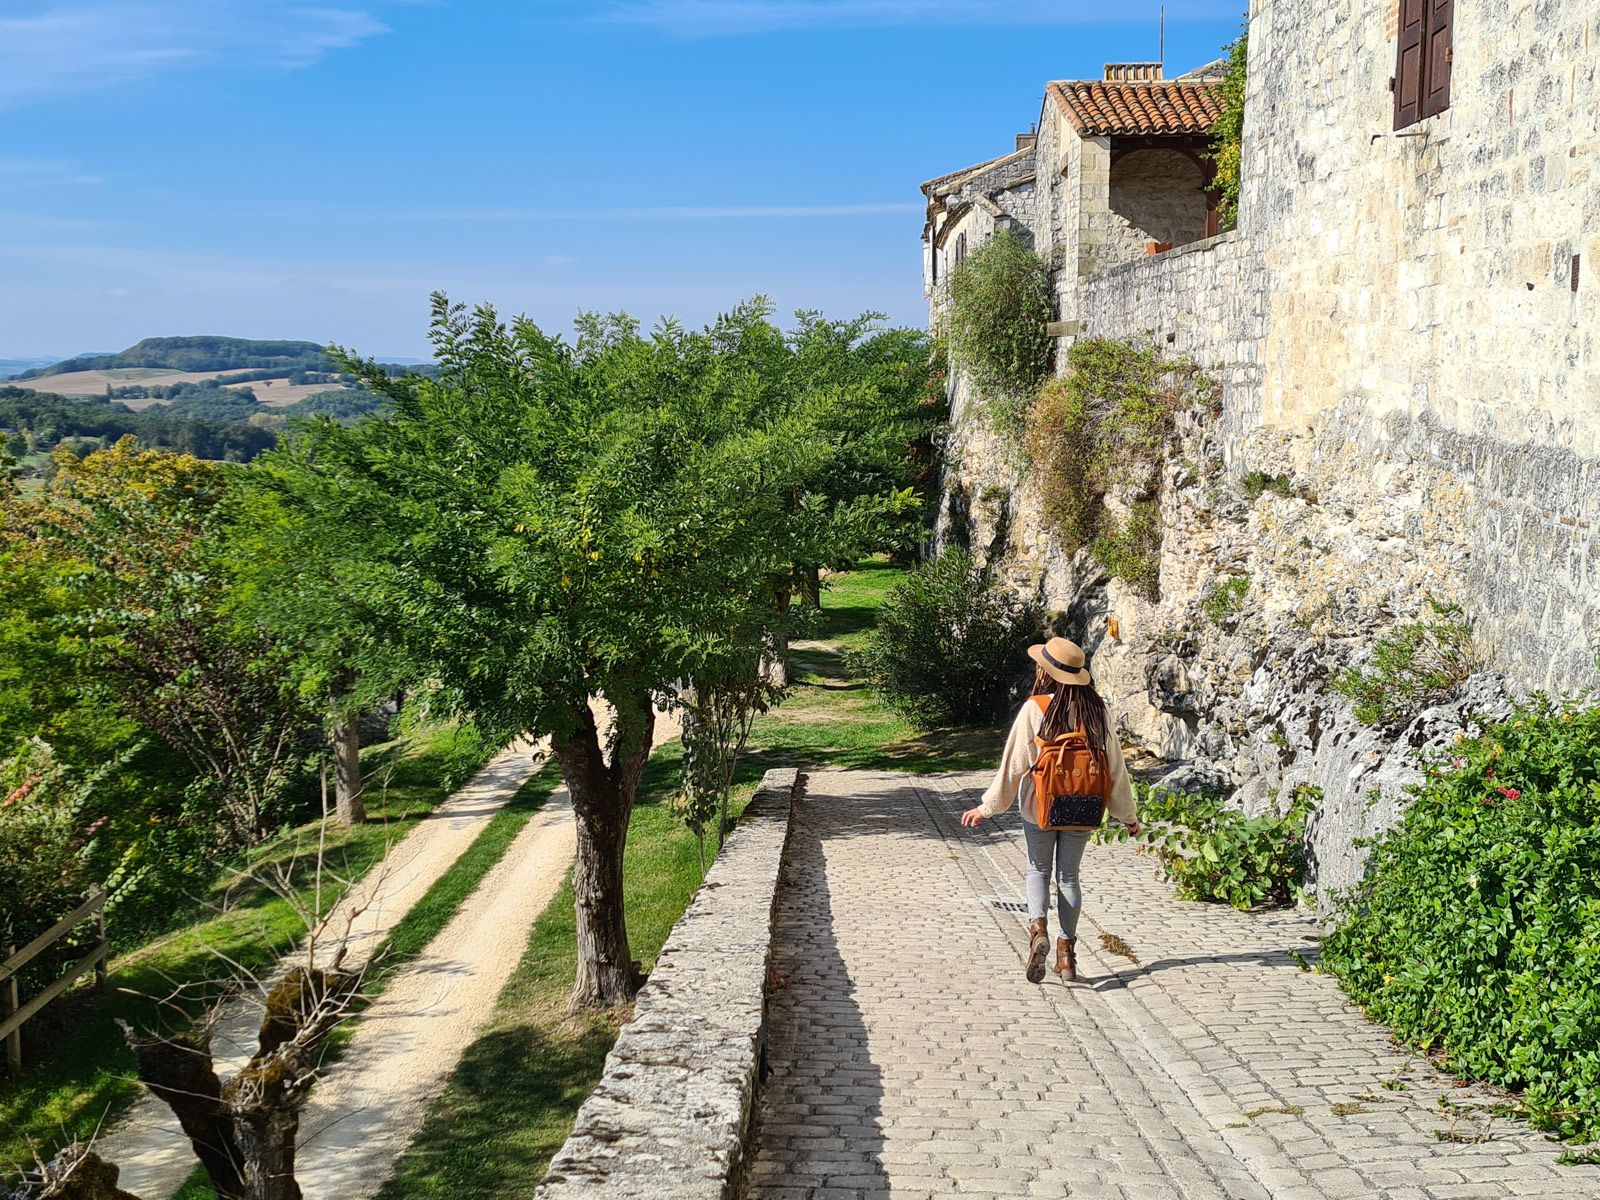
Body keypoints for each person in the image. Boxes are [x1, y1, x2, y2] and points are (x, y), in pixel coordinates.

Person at [961, 636, 1140, 983]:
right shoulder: (1097, 710)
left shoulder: (1035, 708)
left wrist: (988, 807)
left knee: (1038, 871)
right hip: (1085, 807)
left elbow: (1015, 763)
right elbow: (1115, 768)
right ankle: (1066, 955)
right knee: (1069, 877)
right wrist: (1128, 816)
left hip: (1038, 805)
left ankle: (1037, 930)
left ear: (1046, 671)